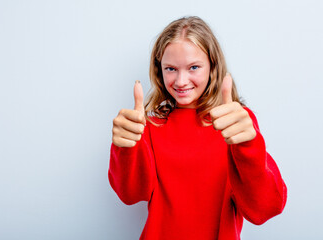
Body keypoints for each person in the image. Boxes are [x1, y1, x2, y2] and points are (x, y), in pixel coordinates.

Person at [108, 16, 287, 240]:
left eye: (194, 67)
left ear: (212, 66)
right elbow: (131, 194)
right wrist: (125, 147)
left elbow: (265, 209)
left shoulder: (234, 122)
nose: (181, 81)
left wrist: (248, 146)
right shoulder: (150, 126)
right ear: (159, 70)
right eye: (171, 69)